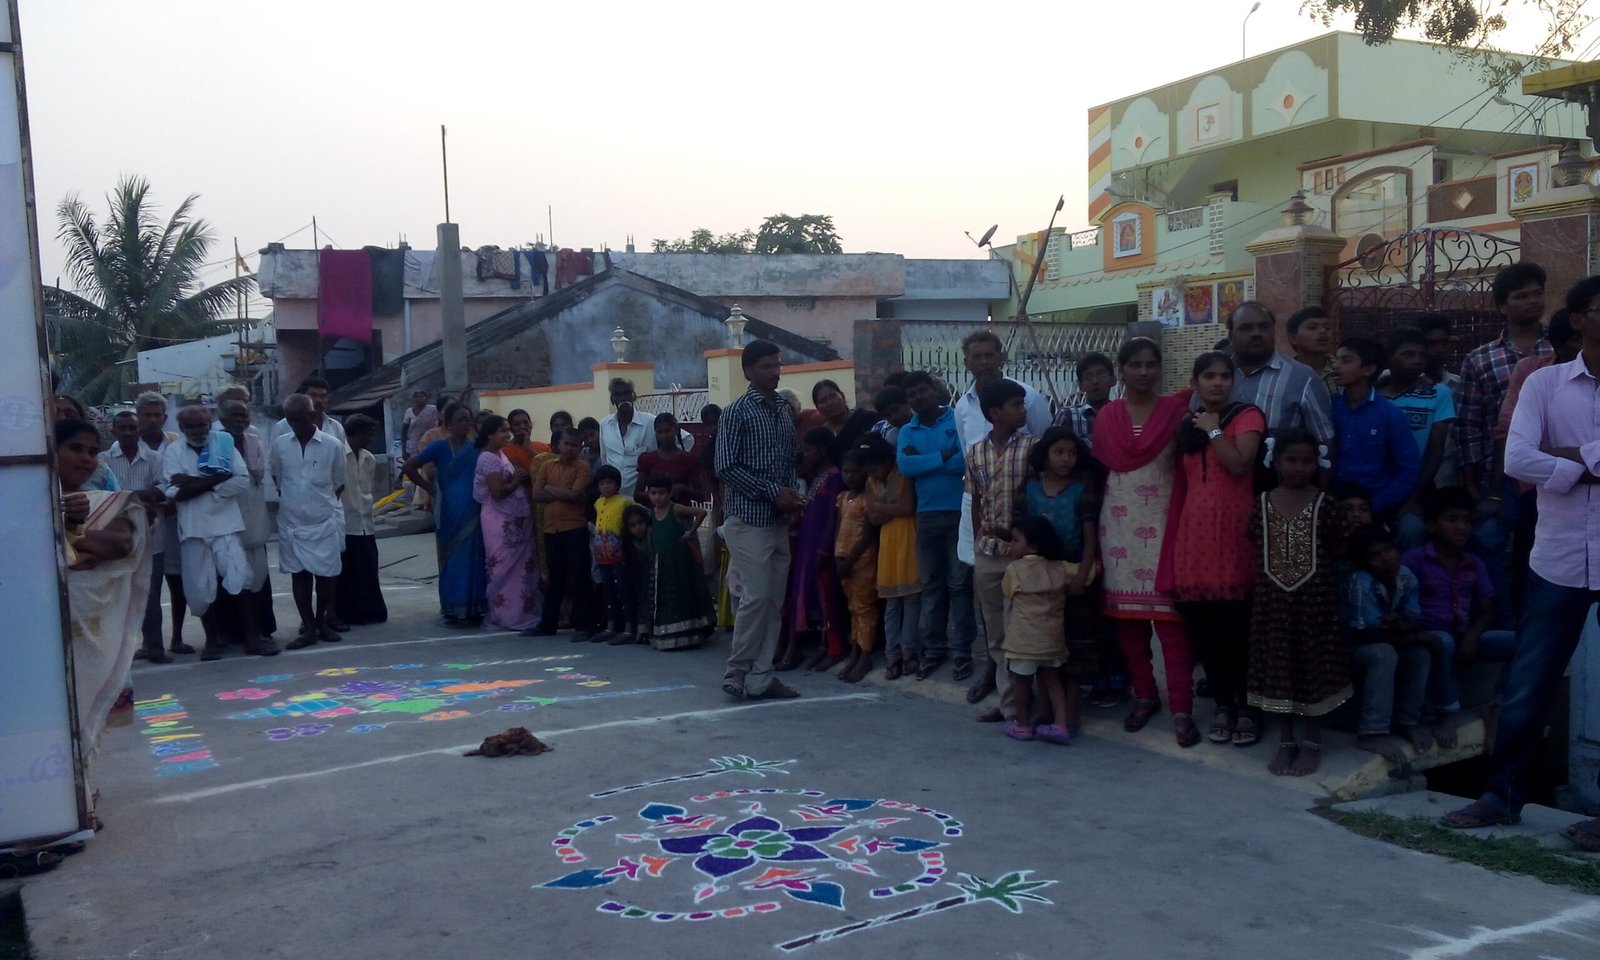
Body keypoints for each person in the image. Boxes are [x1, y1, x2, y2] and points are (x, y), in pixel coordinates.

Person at [1443, 286, 1600, 848]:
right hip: (1556, 559)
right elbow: (1516, 459)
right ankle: (1502, 795)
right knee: (1528, 683)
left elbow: (1540, 462)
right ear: (1582, 318)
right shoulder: (1544, 383)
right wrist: (1589, 461)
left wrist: (1566, 458)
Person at [1093, 338, 1198, 747]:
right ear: (1121, 369)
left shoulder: (1178, 412)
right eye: (1133, 364)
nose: (1142, 371)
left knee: (1172, 631)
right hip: (1117, 526)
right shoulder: (1107, 416)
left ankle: (1182, 709)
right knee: (1129, 629)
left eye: (1149, 364)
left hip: (1165, 525)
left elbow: (1188, 471)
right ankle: (1145, 696)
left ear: (1159, 368)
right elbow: (1101, 476)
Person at [56, 418, 151, 823]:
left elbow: (123, 544)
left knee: (81, 708)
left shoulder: (100, 500)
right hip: (42, 630)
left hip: (88, 628)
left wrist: (70, 537)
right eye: (76, 448)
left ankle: (79, 797)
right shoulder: (25, 501)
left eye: (93, 451)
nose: (87, 458)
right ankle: (57, 805)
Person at [1170, 352, 1266, 747]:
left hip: (1234, 536)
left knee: (1236, 630)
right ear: (1195, 382)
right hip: (1194, 537)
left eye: (1225, 376)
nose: (1218, 383)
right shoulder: (1188, 424)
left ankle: (1248, 708)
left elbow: (1240, 464)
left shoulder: (1247, 416)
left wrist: (1213, 429)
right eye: (1209, 376)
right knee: (1204, 632)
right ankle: (1224, 706)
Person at [1245, 429, 1350, 776]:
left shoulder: (1327, 505)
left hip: (1315, 607)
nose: (1299, 468)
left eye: (1307, 461)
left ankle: (1313, 740)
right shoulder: (1261, 503)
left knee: (1312, 668)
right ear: (1275, 462)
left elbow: (1337, 550)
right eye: (1291, 460)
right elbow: (1255, 547)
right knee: (1280, 669)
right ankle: (1286, 740)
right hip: (1273, 606)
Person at [1460, 263, 1551, 626]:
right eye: (1521, 296)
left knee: (1540, 553)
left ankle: (1537, 624)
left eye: (1537, 293)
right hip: (1500, 478)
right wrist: (1474, 488)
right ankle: (1505, 625)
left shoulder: (1559, 350)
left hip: (1549, 473)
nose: (1532, 301)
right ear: (1502, 306)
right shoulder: (1480, 359)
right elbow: (1469, 427)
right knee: (1488, 541)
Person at [714, 339, 805, 701]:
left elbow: (788, 459)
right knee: (757, 596)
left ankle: (761, 677)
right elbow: (724, 466)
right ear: (749, 371)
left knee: (772, 600)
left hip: (779, 519)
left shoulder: (783, 409)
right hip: (748, 519)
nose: (774, 371)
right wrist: (773, 492)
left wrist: (792, 494)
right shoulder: (736, 411)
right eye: (766, 366)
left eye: (777, 364)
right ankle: (737, 668)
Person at [1402, 486, 1517, 750]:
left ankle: (1498, 705)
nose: (1461, 527)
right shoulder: (1415, 560)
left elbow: (1488, 607)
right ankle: (1447, 714)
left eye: (1466, 521)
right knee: (1444, 641)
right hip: (1430, 637)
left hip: (1465, 636)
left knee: (1523, 642)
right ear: (1431, 525)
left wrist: (1473, 636)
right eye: (1451, 520)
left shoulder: (1473, 562)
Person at [162, 405, 274, 659]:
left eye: (202, 424)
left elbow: (241, 481)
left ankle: (252, 638)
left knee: (241, 582)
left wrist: (194, 482)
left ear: (209, 423)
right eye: (192, 426)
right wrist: (216, 479)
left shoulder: (223, 444)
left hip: (226, 526)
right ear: (181, 428)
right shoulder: (174, 451)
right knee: (200, 589)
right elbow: (176, 493)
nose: (199, 430)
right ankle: (212, 641)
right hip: (193, 529)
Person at [1014, 426, 1102, 739]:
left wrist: (1081, 577)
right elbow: (1019, 533)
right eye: (1059, 452)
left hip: (1073, 578)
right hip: (1038, 582)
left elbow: (1091, 538)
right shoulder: (1030, 488)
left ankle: (1072, 709)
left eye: (1072, 452)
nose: (1066, 459)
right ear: (1045, 455)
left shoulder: (1082, 489)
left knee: (1074, 646)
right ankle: (1044, 709)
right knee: (1041, 645)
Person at [965, 378, 1036, 721]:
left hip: (1020, 552)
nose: (1023, 410)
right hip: (988, 552)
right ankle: (1010, 704)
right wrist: (980, 533)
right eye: (1016, 405)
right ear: (995, 413)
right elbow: (976, 498)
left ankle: (1028, 703)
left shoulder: (1032, 448)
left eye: (1023, 404)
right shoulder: (975, 452)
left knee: (1023, 629)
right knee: (996, 631)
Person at [897, 370, 975, 682]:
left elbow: (964, 460)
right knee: (932, 586)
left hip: (959, 512)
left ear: (934, 389)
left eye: (922, 390)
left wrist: (927, 460)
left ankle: (962, 652)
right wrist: (943, 456)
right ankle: (934, 650)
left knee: (959, 586)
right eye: (912, 394)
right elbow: (905, 466)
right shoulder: (907, 430)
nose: (919, 397)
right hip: (926, 516)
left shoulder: (955, 418)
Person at [1345, 524, 1435, 763]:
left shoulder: (1405, 575)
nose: (1386, 559)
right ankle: (1371, 732)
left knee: (1420, 653)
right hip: (1352, 650)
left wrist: (1405, 628)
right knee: (1384, 653)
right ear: (1365, 562)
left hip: (1390, 639)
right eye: (1375, 556)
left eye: (1388, 550)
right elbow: (1367, 632)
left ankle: (1407, 721)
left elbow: (1415, 618)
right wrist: (1410, 631)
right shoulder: (1361, 581)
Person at [1212, 301, 1335, 467]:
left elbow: (1325, 441)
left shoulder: (1302, 377)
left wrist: (1320, 492)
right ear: (1230, 336)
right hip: (1218, 485)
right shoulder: (1214, 375)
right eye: (1246, 328)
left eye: (1264, 327)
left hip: (1277, 487)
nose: (1256, 334)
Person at [402, 403, 488, 626]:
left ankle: (474, 607)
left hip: (473, 512)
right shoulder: (439, 447)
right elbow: (410, 467)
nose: (465, 424)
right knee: (452, 559)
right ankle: (452, 607)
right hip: (448, 511)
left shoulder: (477, 448)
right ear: (448, 424)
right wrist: (429, 489)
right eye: (460, 419)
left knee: (474, 558)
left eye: (467, 419)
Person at [272, 393, 346, 647]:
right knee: (299, 576)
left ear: (313, 416)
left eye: (300, 419)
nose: (295, 424)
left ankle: (322, 620)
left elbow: (339, 483)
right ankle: (308, 628)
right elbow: (278, 478)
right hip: (291, 522)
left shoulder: (332, 445)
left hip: (323, 521)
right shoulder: (280, 444)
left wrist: (316, 503)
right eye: (290, 419)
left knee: (326, 576)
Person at [999, 516, 1077, 745]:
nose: (1011, 545)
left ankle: (1022, 725)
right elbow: (1088, 572)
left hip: (1023, 642)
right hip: (1052, 640)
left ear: (1031, 546)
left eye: (1015, 540)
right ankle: (1061, 723)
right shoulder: (1061, 567)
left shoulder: (1015, 569)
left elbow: (1007, 592)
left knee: (1021, 684)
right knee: (1053, 682)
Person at [99, 410, 170, 662]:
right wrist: (137, 497)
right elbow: (99, 495)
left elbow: (165, 489)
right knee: (120, 597)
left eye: (132, 428)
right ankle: (126, 651)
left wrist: (125, 497)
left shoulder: (155, 458)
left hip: (152, 535)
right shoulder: (102, 460)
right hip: (115, 537)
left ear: (139, 430)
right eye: (123, 428)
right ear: (113, 431)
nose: (128, 432)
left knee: (151, 595)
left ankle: (156, 648)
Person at [1380, 327, 1458, 548]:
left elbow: (1436, 451)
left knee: (1411, 531)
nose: (1417, 361)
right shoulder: (1373, 394)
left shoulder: (1437, 393)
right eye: (1408, 354)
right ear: (1390, 357)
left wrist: (1414, 497)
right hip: (1374, 485)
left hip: (1415, 487)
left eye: (1422, 355)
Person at [1331, 336, 1421, 519]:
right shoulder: (1329, 407)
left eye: (1346, 360)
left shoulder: (1390, 414)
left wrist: (1375, 505)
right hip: (1333, 505)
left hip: (1377, 506)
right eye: (1337, 359)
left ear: (1368, 369)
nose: (1336, 366)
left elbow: (1409, 470)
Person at [213, 398, 278, 644]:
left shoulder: (254, 441)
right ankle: (232, 634)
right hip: (225, 520)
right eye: (233, 416)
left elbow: (259, 478)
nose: (239, 421)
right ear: (222, 420)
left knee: (258, 579)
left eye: (243, 416)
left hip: (254, 517)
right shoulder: (215, 444)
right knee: (230, 580)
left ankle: (261, 630)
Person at [782, 427, 846, 671]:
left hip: (821, 546)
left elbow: (833, 515)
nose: (804, 455)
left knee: (826, 596)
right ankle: (821, 646)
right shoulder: (815, 478)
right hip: (806, 544)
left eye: (808, 450)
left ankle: (835, 647)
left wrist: (824, 548)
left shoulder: (834, 477)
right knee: (807, 594)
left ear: (822, 451)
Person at [473, 414, 541, 632]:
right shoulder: (487, 458)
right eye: (502, 431)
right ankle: (506, 615)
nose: (507, 434)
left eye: (507, 430)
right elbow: (497, 492)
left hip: (516, 520)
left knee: (523, 569)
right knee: (503, 567)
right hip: (500, 521)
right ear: (490, 434)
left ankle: (522, 612)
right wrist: (517, 480)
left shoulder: (499, 454)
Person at [527, 428, 595, 640]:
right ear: (558, 445)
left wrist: (552, 490)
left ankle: (584, 626)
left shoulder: (583, 467)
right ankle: (548, 624)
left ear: (580, 446)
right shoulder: (547, 465)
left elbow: (576, 495)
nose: (570, 448)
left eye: (575, 445)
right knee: (554, 578)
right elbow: (536, 494)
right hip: (551, 528)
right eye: (567, 444)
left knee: (580, 577)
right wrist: (563, 493)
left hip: (575, 528)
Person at [865, 434, 920, 681]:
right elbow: (873, 518)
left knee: (910, 601)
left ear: (888, 461)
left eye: (875, 465)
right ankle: (892, 655)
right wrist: (893, 508)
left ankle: (908, 653)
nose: (872, 471)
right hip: (888, 544)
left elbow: (908, 507)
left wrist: (881, 507)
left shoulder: (903, 474)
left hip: (909, 539)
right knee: (891, 605)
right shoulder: (870, 482)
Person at [640, 471, 713, 649]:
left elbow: (701, 512)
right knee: (664, 597)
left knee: (682, 594)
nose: (657, 497)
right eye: (653, 493)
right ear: (648, 493)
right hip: (660, 562)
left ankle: (688, 634)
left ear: (669, 493)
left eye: (662, 493)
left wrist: (690, 532)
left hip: (679, 561)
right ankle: (665, 635)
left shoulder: (675, 508)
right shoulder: (651, 513)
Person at [335, 414, 388, 627]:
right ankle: (347, 613)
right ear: (356, 433)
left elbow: (367, 489)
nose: (370, 438)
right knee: (348, 573)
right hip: (345, 521)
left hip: (366, 520)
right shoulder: (338, 454)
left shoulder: (368, 458)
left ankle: (370, 611)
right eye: (368, 433)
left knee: (367, 569)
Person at [833, 446, 880, 683]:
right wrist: (837, 557)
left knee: (865, 608)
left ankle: (865, 655)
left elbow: (868, 534)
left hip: (861, 560)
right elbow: (839, 528)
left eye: (855, 472)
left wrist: (850, 560)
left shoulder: (865, 499)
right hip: (843, 560)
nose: (850, 476)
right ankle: (854, 652)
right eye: (846, 471)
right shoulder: (843, 498)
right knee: (853, 608)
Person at [1416, 313, 1464, 488]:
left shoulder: (1457, 385)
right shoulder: (1394, 383)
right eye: (1433, 343)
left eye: (1445, 343)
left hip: (1447, 474)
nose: (1441, 349)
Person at [591, 464, 637, 643]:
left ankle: (628, 629)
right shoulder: (597, 503)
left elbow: (638, 516)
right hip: (602, 557)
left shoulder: (625, 502)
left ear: (617, 484)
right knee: (608, 592)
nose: (606, 487)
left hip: (620, 556)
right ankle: (610, 627)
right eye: (602, 483)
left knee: (624, 591)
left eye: (610, 483)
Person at [635, 412, 706, 503]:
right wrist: (658, 494)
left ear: (676, 431)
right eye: (660, 432)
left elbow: (701, 496)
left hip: (682, 514)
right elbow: (637, 495)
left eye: (668, 431)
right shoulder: (647, 459)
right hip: (656, 515)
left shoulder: (689, 459)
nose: (664, 435)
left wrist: (682, 489)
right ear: (655, 434)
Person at [1052, 352, 1115, 450]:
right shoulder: (1068, 416)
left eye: (1101, 375)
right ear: (1080, 385)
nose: (1095, 381)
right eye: (1088, 377)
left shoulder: (1121, 415)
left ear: (1113, 380)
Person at [812, 379, 878, 463]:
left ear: (842, 396)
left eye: (833, 396)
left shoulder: (866, 418)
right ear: (818, 408)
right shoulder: (823, 434)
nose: (829, 403)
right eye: (823, 401)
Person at [270, 375, 346, 447]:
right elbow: (273, 459)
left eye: (322, 396)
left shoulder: (336, 427)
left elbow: (341, 458)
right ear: (302, 398)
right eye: (313, 395)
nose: (318, 400)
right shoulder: (282, 427)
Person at [1286, 306, 1337, 395]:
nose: (1323, 331)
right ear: (1293, 338)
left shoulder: (1342, 370)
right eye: (1312, 327)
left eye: (1327, 327)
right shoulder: (1286, 374)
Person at [401, 389, 437, 458]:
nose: (419, 398)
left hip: (429, 441)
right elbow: (404, 433)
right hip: (413, 445)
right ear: (413, 399)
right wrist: (404, 451)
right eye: (416, 397)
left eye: (421, 396)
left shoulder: (433, 410)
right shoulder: (409, 411)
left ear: (426, 398)